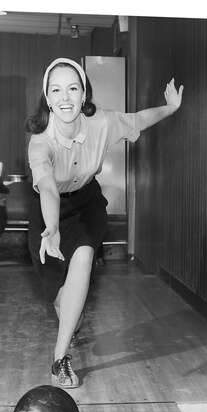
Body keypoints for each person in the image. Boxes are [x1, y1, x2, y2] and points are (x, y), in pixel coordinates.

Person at [26, 57, 184, 389]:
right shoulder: (40, 141)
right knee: (60, 297)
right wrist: (51, 228)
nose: (65, 97)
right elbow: (50, 188)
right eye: (56, 90)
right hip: (48, 211)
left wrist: (170, 108)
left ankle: (59, 358)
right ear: (47, 97)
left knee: (83, 254)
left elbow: (139, 119)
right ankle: (70, 313)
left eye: (73, 88)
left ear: (84, 95)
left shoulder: (102, 123)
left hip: (86, 204)